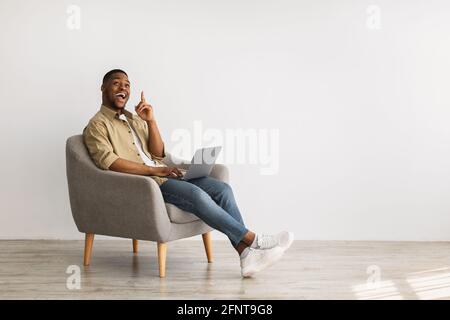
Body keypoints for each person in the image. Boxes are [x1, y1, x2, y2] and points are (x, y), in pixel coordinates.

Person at [83, 69, 294, 277]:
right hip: (146, 184)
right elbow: (109, 162)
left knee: (222, 189)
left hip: (164, 173)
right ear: (103, 88)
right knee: (197, 195)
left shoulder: (134, 120)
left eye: (127, 84)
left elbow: (158, 152)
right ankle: (254, 240)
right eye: (116, 83)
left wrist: (151, 120)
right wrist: (155, 170)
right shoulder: (97, 125)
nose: (123, 88)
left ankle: (245, 254)